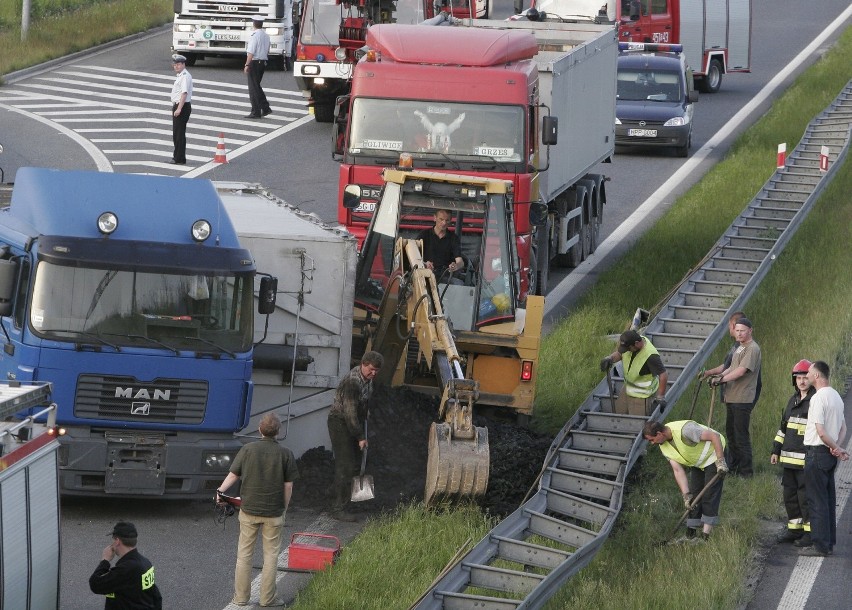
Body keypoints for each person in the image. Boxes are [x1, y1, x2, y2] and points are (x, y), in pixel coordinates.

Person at [217, 413, 299, 607]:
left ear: (260, 429)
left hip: (249, 510)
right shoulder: (285, 453)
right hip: (274, 512)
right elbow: (288, 486)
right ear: (278, 432)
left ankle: (241, 598)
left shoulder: (247, 449)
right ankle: (267, 598)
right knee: (271, 555)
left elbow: (233, 475)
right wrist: (284, 508)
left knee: (244, 554)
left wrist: (220, 491)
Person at [643, 420, 728, 541]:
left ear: (659, 434)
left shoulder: (686, 430)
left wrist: (720, 461)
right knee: (694, 497)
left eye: (651, 439)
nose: (652, 443)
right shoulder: (664, 446)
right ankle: (691, 535)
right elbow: (677, 470)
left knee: (710, 494)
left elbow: (714, 436)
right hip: (698, 462)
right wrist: (686, 495)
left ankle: (705, 537)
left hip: (714, 454)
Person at [799, 360, 848, 557]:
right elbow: (843, 428)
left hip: (817, 452)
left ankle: (819, 545)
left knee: (816, 500)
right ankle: (828, 542)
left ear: (817, 376)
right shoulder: (836, 396)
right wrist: (836, 447)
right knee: (827, 499)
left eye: (809, 373)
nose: (807, 375)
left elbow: (820, 431)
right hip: (828, 454)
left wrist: (834, 447)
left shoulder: (818, 398)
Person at [327, 350, 383, 522]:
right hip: (340, 422)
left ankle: (342, 497)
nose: (373, 373)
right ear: (363, 364)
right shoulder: (353, 382)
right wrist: (360, 437)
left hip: (354, 422)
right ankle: (337, 508)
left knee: (354, 465)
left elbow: (364, 404)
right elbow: (350, 414)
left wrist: (366, 419)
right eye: (371, 369)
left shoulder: (367, 380)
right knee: (345, 465)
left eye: (376, 371)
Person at [702, 316, 762, 477]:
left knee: (741, 436)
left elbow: (741, 371)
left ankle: (746, 472)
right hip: (732, 397)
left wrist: (721, 380)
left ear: (750, 331)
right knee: (731, 434)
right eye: (737, 331)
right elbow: (731, 368)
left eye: (743, 331)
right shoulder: (740, 347)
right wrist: (718, 376)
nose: (740, 334)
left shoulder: (752, 348)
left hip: (742, 399)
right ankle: (734, 467)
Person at [770, 359, 815, 545]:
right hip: (788, 460)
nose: (802, 381)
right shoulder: (792, 401)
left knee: (805, 497)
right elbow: (783, 429)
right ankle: (794, 530)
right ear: (794, 380)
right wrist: (776, 450)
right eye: (798, 378)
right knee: (789, 496)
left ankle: (809, 533)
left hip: (805, 460)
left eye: (805, 377)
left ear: (811, 379)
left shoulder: (815, 401)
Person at [89, 521, 163, 609]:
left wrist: (105, 561)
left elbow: (95, 584)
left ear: (117, 541)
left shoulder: (126, 569)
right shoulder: (146, 563)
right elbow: (156, 596)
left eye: (113, 539)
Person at [600, 329, 668, 416]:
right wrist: (610, 358)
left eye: (628, 348)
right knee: (618, 416)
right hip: (627, 389)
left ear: (636, 344)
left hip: (642, 396)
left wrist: (660, 397)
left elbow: (663, 375)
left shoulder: (651, 356)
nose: (626, 350)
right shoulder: (630, 344)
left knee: (636, 424)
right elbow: (620, 354)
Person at [417, 209, 464, 284]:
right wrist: (425, 263)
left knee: (459, 284)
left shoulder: (454, 238)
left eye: (447, 220)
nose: (444, 223)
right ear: (434, 218)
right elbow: (414, 256)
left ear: (451, 220)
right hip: (424, 274)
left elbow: (460, 262)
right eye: (441, 219)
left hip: (444, 276)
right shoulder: (424, 234)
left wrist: (456, 266)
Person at [244, 17, 272, 119]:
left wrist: (247, 64)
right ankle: (265, 108)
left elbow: (251, 52)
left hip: (255, 62)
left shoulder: (254, 36)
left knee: (253, 88)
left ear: (254, 24)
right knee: (257, 86)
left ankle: (256, 111)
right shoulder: (266, 36)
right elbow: (268, 50)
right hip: (263, 62)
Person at [170, 54, 192, 165]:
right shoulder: (181, 75)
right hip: (180, 106)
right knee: (177, 133)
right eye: (175, 64)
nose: (176, 66)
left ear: (183, 64)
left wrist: (179, 109)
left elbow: (184, 93)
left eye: (178, 64)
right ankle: (179, 157)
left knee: (179, 134)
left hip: (182, 107)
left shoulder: (184, 76)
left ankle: (178, 158)